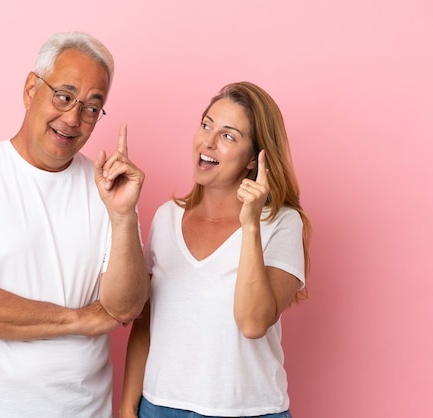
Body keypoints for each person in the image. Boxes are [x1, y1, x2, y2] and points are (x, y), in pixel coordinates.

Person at [0, 31, 149, 417]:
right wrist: (79, 319)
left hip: (83, 409)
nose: (73, 118)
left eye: (92, 108)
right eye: (63, 97)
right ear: (32, 89)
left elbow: (125, 308)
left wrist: (123, 216)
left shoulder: (109, 192)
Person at [120, 82, 311, 418]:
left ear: (254, 158)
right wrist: (126, 406)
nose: (207, 141)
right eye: (206, 125)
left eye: (228, 135)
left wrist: (250, 225)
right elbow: (145, 323)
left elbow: (253, 323)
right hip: (159, 408)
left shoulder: (282, 223)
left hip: (249, 411)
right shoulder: (166, 219)